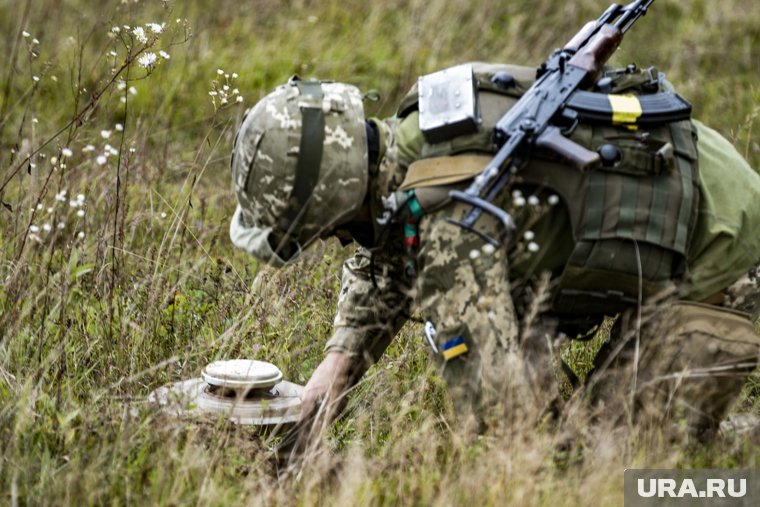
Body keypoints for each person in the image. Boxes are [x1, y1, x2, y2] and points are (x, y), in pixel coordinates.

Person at [228, 63, 760, 443]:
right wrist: (333, 374)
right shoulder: (409, 141)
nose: (328, 241)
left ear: (335, 201)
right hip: (689, 186)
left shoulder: (447, 232)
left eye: (321, 231)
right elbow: (389, 254)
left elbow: (508, 418)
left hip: (724, 247)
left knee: (611, 466)